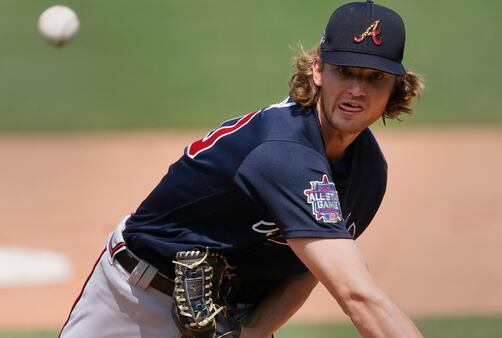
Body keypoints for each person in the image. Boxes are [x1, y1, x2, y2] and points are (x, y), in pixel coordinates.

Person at [60, 1, 425, 337]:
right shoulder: (282, 153)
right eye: (344, 72)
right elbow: (357, 296)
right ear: (317, 70)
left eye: (374, 77)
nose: (357, 90)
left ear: (395, 87)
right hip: (135, 305)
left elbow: (305, 273)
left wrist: (251, 334)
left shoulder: (368, 173)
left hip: (227, 321)